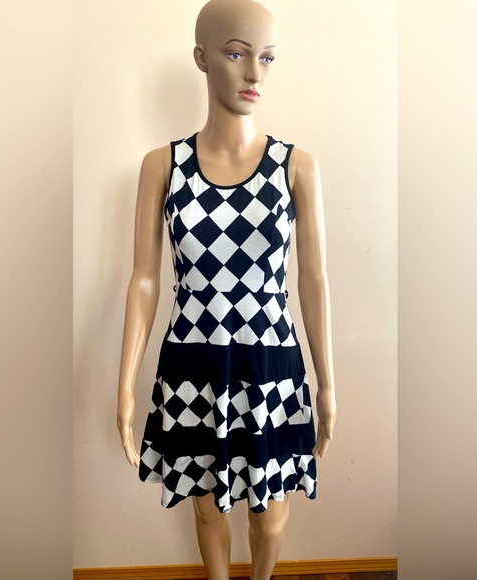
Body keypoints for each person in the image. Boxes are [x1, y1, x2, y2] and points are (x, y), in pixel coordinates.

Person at [117, 1, 336, 578]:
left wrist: (327, 383)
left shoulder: (296, 167)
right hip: (193, 364)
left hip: (271, 365)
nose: (254, 73)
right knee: (208, 506)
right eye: (237, 54)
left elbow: (313, 280)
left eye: (267, 58)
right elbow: (144, 278)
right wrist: (125, 385)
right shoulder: (162, 166)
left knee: (271, 517)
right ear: (202, 58)